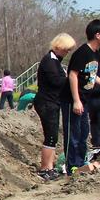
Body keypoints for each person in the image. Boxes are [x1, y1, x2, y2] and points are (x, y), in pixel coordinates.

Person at [66, 19, 100, 172]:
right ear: (97, 35)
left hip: (85, 99)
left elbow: (92, 75)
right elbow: (73, 75)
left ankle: (81, 163)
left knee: (84, 132)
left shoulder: (96, 54)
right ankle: (72, 166)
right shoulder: (83, 52)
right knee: (74, 134)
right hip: (73, 99)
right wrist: (76, 100)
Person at [35, 33, 75, 181]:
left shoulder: (55, 61)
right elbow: (56, 81)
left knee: (53, 137)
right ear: (58, 47)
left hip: (53, 102)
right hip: (47, 102)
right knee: (50, 136)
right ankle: (45, 168)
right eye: (66, 49)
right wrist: (72, 79)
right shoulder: (49, 61)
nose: (67, 53)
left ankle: (50, 167)